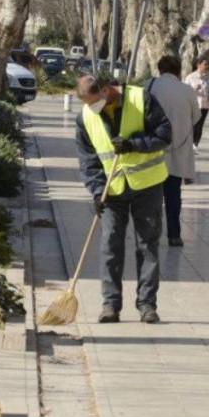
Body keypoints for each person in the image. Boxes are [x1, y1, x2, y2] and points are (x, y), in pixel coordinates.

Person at [75, 75, 172, 324]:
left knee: (147, 245)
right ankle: (110, 305)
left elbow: (164, 133)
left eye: (95, 102)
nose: (91, 108)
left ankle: (147, 304)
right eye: (87, 104)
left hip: (147, 185)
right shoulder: (85, 117)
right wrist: (97, 191)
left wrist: (133, 144)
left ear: (107, 90)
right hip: (112, 190)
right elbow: (88, 161)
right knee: (110, 246)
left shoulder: (141, 99)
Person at [150, 55, 199, 248]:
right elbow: (195, 118)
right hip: (178, 151)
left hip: (153, 150)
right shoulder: (187, 91)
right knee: (173, 195)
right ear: (178, 70)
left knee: (153, 196)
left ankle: (151, 234)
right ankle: (174, 235)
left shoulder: (150, 85)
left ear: (160, 69)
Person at [184, 57, 209, 152]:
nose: (207, 67)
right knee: (193, 125)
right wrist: (193, 88)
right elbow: (184, 90)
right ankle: (190, 144)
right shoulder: (190, 77)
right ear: (199, 65)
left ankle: (195, 144)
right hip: (193, 105)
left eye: (208, 65)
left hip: (204, 105)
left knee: (200, 125)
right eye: (205, 64)